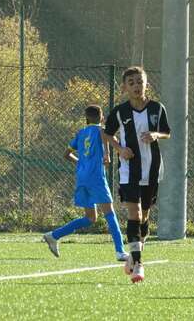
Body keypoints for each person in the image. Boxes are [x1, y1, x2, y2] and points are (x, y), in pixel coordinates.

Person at [104, 66, 171, 282]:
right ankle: (139, 264)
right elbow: (106, 134)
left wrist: (155, 134)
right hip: (128, 170)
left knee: (146, 217)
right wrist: (119, 149)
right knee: (135, 214)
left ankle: (132, 256)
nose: (136, 86)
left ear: (146, 84)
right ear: (124, 87)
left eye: (139, 82)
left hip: (151, 169)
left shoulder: (157, 108)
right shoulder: (119, 112)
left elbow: (167, 133)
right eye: (131, 82)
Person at [43, 105, 128, 262]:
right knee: (110, 213)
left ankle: (53, 236)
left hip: (82, 177)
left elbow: (66, 154)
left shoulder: (81, 133)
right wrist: (108, 154)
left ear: (86, 119)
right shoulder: (102, 130)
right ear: (102, 118)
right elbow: (107, 137)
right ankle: (120, 251)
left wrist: (81, 163)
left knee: (90, 218)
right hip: (96, 178)